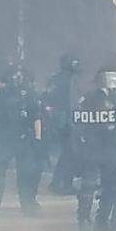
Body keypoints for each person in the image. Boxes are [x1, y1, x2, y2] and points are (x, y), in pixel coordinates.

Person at [72, 67, 116, 231]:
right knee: (89, 184)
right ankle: (84, 220)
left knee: (111, 185)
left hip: (112, 147)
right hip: (93, 148)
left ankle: (102, 220)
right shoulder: (89, 98)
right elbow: (78, 123)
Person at [0, 65, 44, 218]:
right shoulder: (0, 96)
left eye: (19, 75)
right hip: (3, 141)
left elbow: (36, 117)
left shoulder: (29, 96)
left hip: (22, 140)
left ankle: (27, 206)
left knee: (24, 176)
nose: (17, 78)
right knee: (0, 176)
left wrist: (38, 138)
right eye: (14, 75)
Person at [44, 53, 82, 195]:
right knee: (70, 153)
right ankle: (61, 183)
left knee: (68, 153)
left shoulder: (55, 79)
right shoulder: (70, 80)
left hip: (61, 121)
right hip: (68, 122)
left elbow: (47, 98)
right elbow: (73, 102)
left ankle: (62, 183)